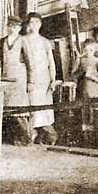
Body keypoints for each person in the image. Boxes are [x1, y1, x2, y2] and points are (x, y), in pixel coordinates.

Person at [22, 12, 58, 145]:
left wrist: (53, 79)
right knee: (31, 107)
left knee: (44, 109)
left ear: (40, 24)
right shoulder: (23, 40)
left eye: (37, 22)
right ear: (28, 24)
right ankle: (31, 134)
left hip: (44, 79)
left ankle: (46, 136)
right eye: (32, 22)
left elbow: (51, 62)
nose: (34, 25)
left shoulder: (45, 42)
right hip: (30, 79)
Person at [0, 16, 32, 145]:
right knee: (7, 109)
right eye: (10, 26)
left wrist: (30, 82)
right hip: (5, 78)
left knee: (19, 111)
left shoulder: (23, 41)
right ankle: (11, 138)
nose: (12, 28)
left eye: (15, 26)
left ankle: (27, 137)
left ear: (19, 28)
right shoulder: (2, 41)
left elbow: (30, 63)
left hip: (19, 80)